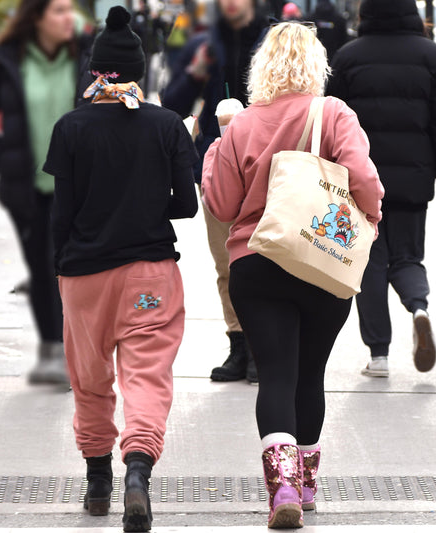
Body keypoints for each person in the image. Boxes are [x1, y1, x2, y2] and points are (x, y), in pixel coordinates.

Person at [201, 22, 383, 528]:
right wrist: (371, 218)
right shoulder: (335, 114)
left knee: (276, 374)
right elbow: (365, 178)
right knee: (310, 375)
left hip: (258, 262)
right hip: (324, 261)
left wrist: (219, 142)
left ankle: (281, 486)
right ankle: (306, 485)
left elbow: (220, 204)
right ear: (316, 64)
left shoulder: (242, 124)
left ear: (263, 67)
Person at [43, 6, 198, 530]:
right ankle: (137, 473)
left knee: (90, 382)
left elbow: (61, 214)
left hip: (84, 276)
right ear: (139, 68)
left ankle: (96, 484)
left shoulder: (70, 127)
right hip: (150, 273)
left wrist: (58, 276)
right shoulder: (167, 125)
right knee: (147, 378)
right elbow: (186, 206)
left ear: (94, 70)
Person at [327, 0, 436, 378]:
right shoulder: (433, 55)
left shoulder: (348, 57)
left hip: (359, 181)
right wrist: (433, 165)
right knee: (407, 257)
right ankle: (418, 307)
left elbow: (330, 119)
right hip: (413, 180)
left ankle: (379, 356)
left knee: (368, 263)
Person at [0, 0, 94, 385]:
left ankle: (74, 351)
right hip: (29, 188)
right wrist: (4, 157)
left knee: (75, 269)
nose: (70, 18)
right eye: (59, 11)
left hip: (79, 187)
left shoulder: (86, 57)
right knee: (42, 267)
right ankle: (54, 350)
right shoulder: (7, 60)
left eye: (71, 10)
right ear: (37, 19)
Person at [162, 0, 269, 383]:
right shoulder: (204, 43)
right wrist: (196, 71)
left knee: (269, 258)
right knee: (227, 264)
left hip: (270, 167)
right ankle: (239, 345)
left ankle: (265, 348)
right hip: (217, 167)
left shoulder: (272, 39)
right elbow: (172, 102)